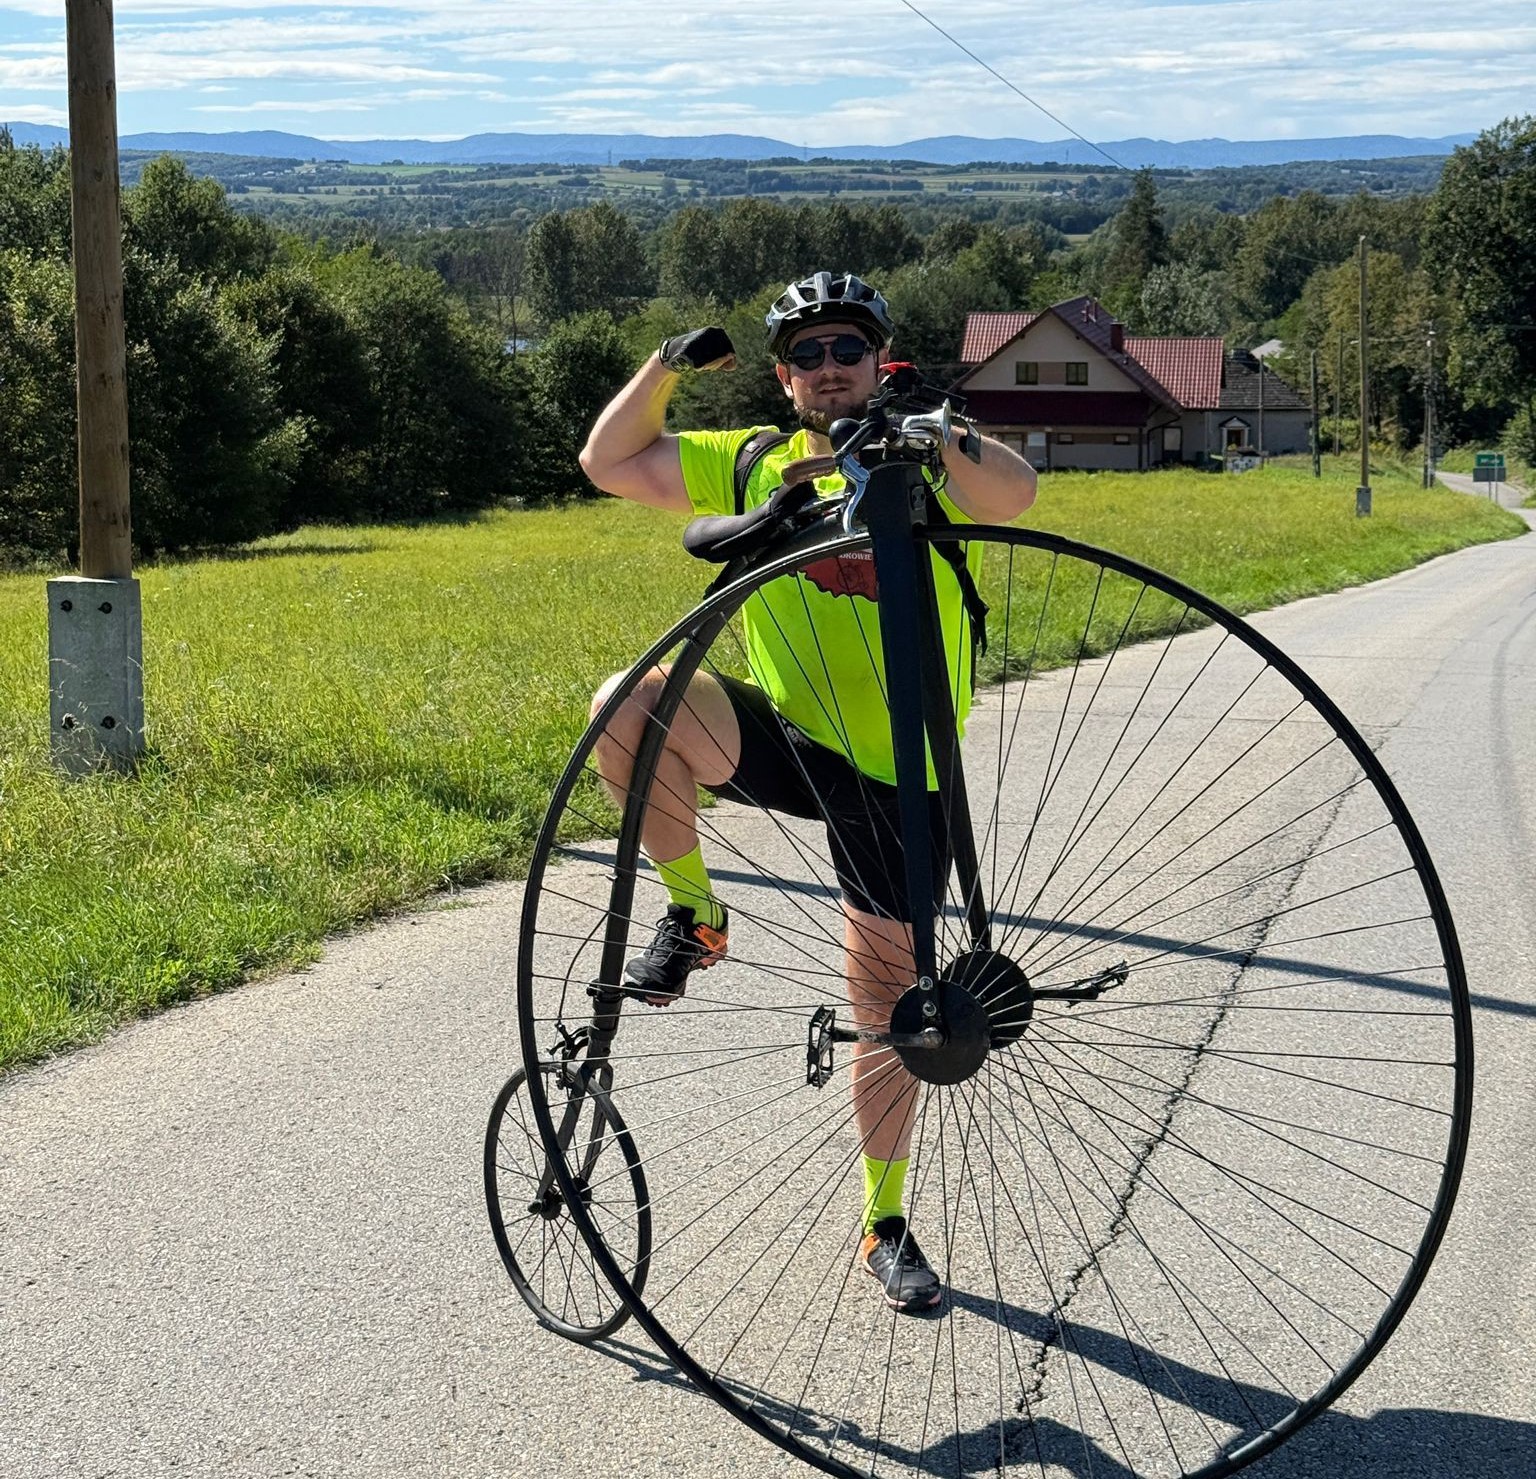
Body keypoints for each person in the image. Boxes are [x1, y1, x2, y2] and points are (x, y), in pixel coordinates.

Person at [579, 270, 1037, 1312]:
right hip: (786, 739)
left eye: (848, 350)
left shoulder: (922, 448)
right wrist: (666, 363)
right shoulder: (748, 459)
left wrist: (939, 436)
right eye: (808, 356)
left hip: (900, 773)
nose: (830, 369)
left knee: (890, 1017)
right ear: (785, 378)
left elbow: (1017, 497)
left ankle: (883, 1224)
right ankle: (696, 914)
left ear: (879, 361)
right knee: (627, 705)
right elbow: (607, 460)